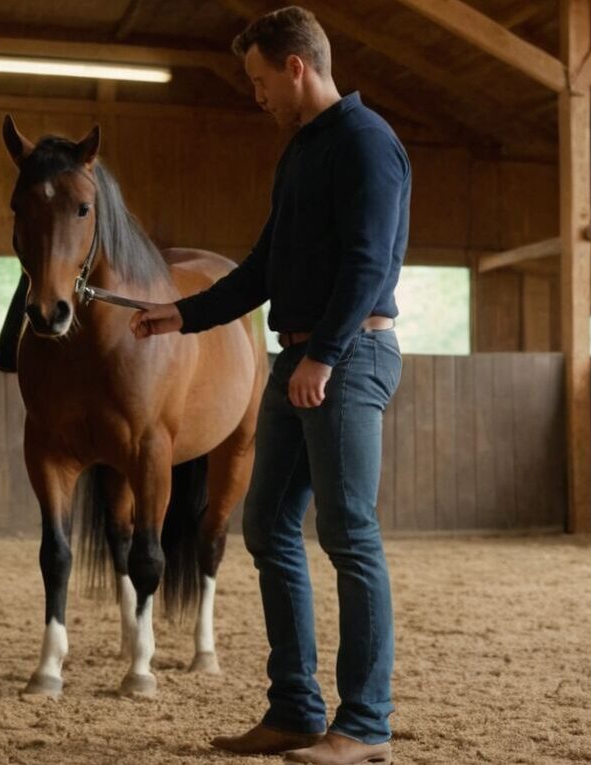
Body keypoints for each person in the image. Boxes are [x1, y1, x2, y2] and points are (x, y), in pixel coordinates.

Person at [129, 7, 409, 765]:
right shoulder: (301, 153)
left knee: (349, 533)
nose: (256, 96)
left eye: (259, 80)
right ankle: (294, 708)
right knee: (269, 527)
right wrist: (178, 316)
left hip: (346, 358)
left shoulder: (366, 144)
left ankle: (366, 724)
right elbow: (261, 269)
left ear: (296, 67)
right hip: (303, 356)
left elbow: (369, 265)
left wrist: (324, 357)